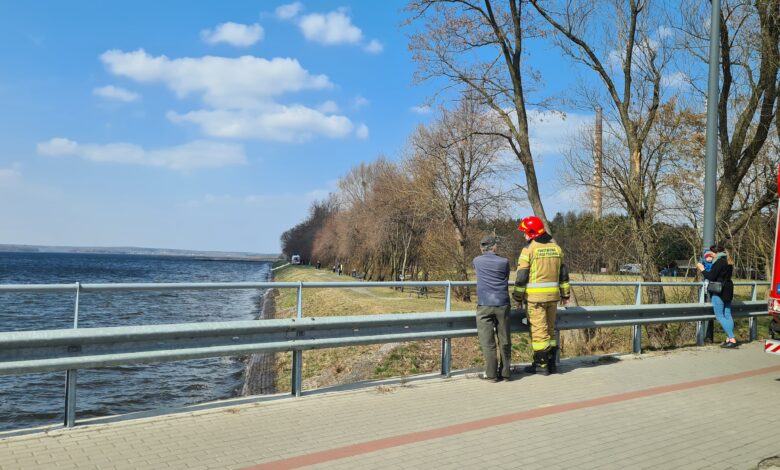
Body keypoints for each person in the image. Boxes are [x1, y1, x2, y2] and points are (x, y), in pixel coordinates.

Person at [512, 216, 570, 375]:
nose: (523, 235)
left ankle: (541, 366)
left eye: (524, 232)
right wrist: (565, 295)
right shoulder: (556, 248)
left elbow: (522, 277)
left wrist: (517, 298)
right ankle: (552, 364)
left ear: (531, 233)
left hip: (535, 300)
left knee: (539, 332)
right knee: (550, 331)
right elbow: (563, 275)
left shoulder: (528, 250)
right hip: (553, 298)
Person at [472, 235, 512, 382]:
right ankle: (506, 373)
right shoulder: (504, 262)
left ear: (482, 248)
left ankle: (491, 374)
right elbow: (506, 277)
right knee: (505, 340)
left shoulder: (476, 261)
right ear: (494, 247)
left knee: (488, 343)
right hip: (502, 303)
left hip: (484, 305)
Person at [697, 243, 737, 348]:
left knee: (719, 316)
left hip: (719, 290)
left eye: (711, 252)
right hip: (728, 288)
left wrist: (702, 269)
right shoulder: (728, 261)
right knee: (727, 314)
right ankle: (729, 339)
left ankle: (732, 339)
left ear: (715, 253)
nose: (710, 254)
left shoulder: (718, 262)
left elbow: (711, 276)